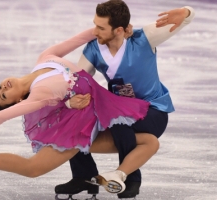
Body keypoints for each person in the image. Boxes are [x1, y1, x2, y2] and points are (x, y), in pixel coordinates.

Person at [0, 26, 153, 198]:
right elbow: (1, 116)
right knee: (33, 169)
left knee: (150, 141)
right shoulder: (37, 96)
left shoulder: (44, 58)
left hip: (98, 110)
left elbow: (78, 39)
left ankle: (103, 176)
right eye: (3, 96)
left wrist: (108, 28)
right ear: (19, 100)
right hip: (80, 127)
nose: (2, 88)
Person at [54, 0, 195, 199]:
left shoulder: (144, 38)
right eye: (95, 24)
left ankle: (131, 179)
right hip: (120, 111)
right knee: (76, 119)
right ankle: (83, 176)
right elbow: (78, 82)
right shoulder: (93, 49)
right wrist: (68, 102)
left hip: (153, 111)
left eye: (101, 27)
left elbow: (188, 16)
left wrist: (186, 11)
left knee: (118, 122)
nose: (94, 31)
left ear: (119, 30)